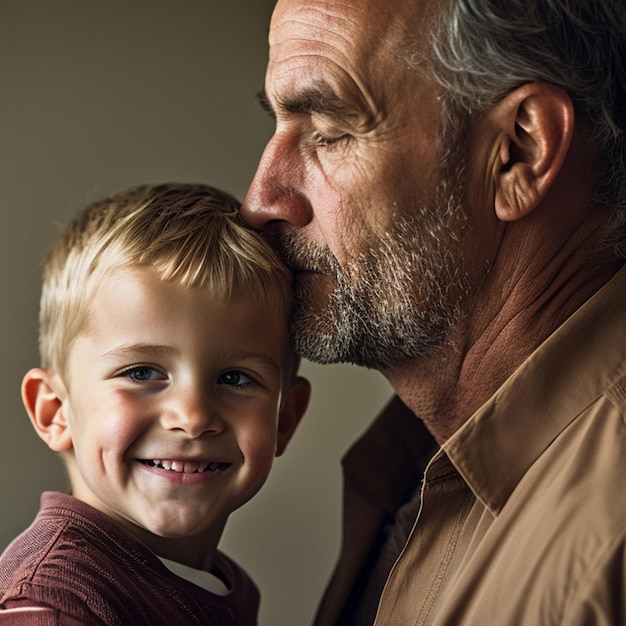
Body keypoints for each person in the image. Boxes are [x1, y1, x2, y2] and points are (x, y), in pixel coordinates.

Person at [241, 0, 626, 624]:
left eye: (329, 131)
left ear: (518, 152)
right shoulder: (406, 468)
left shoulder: (608, 547)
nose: (262, 200)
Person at [0, 183, 311, 625]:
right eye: (142, 373)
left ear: (285, 418)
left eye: (235, 378)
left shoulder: (216, 588)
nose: (193, 417)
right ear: (54, 412)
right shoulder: (51, 602)